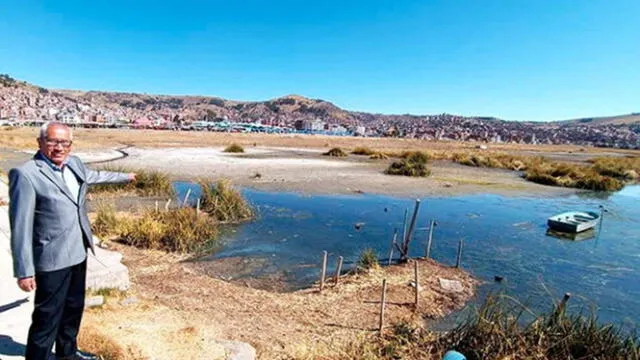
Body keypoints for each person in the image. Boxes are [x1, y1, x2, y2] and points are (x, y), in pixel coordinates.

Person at [8, 122, 136, 360]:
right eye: (53, 141)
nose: (59, 147)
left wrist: (126, 176)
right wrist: (24, 271)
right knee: (47, 317)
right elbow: (20, 227)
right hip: (52, 257)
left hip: (78, 251)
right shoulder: (26, 174)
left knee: (73, 310)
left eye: (64, 142)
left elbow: (94, 176)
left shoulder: (74, 163)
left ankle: (68, 354)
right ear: (40, 142)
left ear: (70, 145)